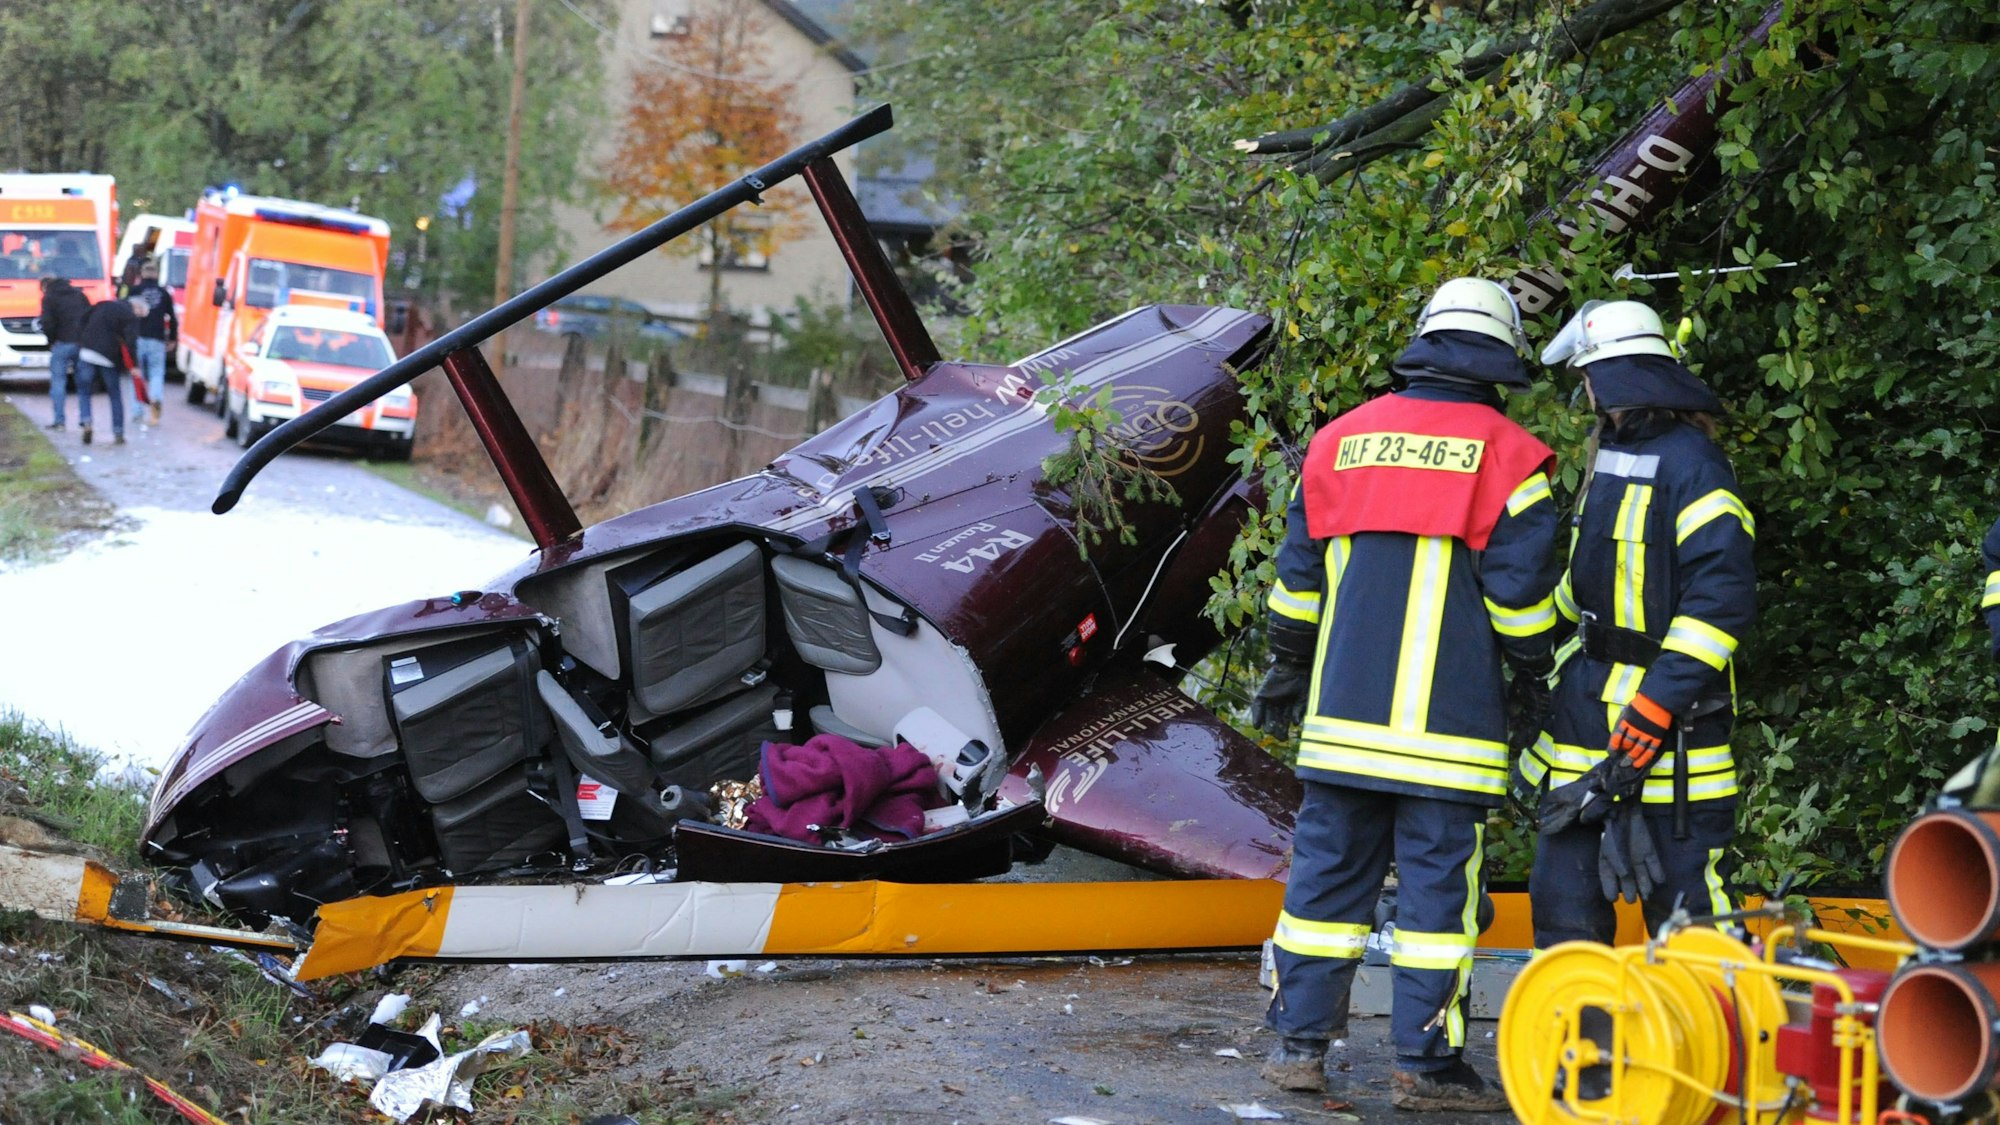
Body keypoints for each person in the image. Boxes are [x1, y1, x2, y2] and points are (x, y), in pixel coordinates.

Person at [1249, 277, 1563, 1109]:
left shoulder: (1337, 442)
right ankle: (1425, 1069)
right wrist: (1538, 680)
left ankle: (1297, 1048)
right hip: (1450, 736)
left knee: (1322, 891)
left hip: (1341, 727)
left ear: (1424, 340)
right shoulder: (1510, 457)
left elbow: (1297, 586)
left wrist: (1287, 665)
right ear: (1502, 357)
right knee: (1436, 906)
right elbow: (1522, 606)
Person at [1519, 299, 1756, 944]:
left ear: (1610, 376)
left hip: (1674, 734)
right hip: (1584, 719)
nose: (1587, 392)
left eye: (1587, 377)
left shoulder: (1695, 465)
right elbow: (1586, 583)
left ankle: (1712, 1016)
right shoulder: (1611, 454)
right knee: (1563, 910)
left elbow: (1721, 599)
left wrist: (1657, 704)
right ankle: (1576, 1018)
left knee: (1690, 921)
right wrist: (1523, 651)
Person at [75, 297, 144, 445]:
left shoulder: (102, 304)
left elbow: (81, 321)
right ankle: (118, 432)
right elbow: (131, 342)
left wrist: (82, 341)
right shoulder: (129, 316)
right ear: (136, 308)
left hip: (87, 352)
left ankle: (86, 421)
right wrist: (134, 366)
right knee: (114, 394)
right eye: (141, 315)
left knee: (84, 391)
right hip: (109, 358)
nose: (139, 318)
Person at [37, 275, 89, 431]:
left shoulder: (49, 298)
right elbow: (89, 317)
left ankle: (59, 421)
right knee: (83, 383)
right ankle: (86, 419)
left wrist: (51, 340)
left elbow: (47, 322)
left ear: (45, 286)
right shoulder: (79, 295)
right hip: (81, 344)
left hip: (62, 343)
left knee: (58, 383)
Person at [129, 259, 176, 426]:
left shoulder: (135, 290)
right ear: (156, 274)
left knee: (137, 375)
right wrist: (173, 338)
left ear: (142, 274)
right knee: (156, 373)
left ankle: (137, 411)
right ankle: (155, 399)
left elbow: (126, 314)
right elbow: (172, 317)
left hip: (137, 337)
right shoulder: (164, 293)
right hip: (157, 338)